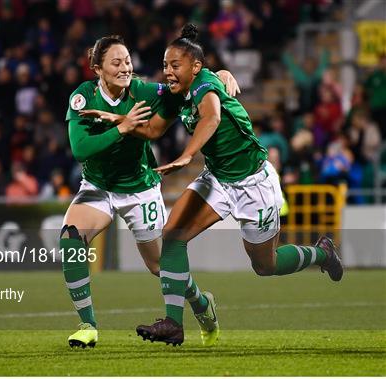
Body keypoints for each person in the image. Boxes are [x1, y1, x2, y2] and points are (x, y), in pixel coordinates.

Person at [114, 24, 342, 346]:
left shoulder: (207, 85)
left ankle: (321, 253)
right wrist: (121, 126)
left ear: (195, 67)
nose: (168, 72)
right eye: (165, 65)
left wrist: (186, 156)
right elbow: (152, 130)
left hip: (253, 181)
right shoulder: (179, 94)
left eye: (174, 65)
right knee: (173, 236)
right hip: (218, 179)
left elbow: (212, 118)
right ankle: (174, 323)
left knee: (266, 265)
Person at [61, 34, 239, 349]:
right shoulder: (82, 98)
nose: (124, 67)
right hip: (98, 186)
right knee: (71, 237)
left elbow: (184, 89)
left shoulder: (143, 91)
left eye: (127, 61)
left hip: (139, 187)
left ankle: (200, 303)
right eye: (116, 62)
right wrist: (122, 128)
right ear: (98, 69)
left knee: (159, 266)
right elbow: (80, 148)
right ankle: (87, 325)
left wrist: (215, 76)